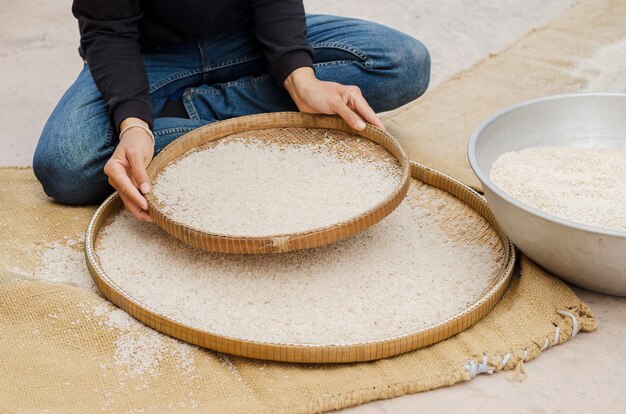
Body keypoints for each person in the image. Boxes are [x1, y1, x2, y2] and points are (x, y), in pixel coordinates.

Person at [33, 0, 430, 222]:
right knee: (66, 165)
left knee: (403, 62)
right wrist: (133, 122)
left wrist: (299, 76)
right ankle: (172, 121)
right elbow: (108, 32)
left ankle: (189, 112)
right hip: (146, 56)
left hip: (247, 40)